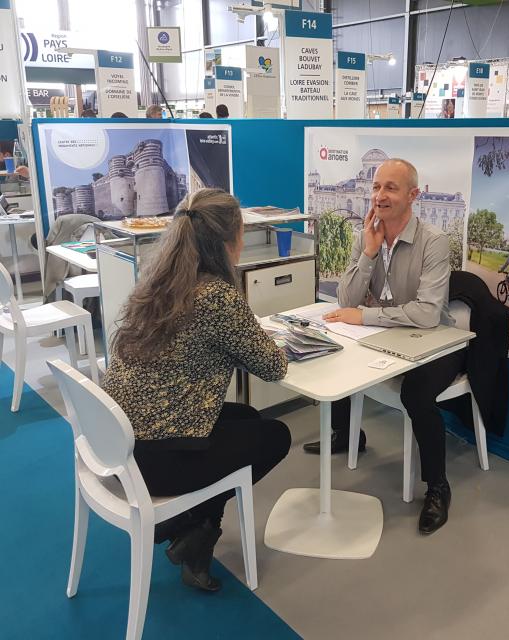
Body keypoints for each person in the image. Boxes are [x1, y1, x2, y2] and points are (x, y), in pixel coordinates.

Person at [102, 188, 291, 592]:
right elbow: (274, 367)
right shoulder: (217, 296)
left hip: (120, 444)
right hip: (154, 459)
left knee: (247, 418)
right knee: (275, 436)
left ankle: (193, 535)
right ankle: (194, 530)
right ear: (230, 240)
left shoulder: (161, 282)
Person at [303, 158, 462, 536]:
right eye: (376, 187)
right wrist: (369, 253)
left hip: (435, 340)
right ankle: (347, 435)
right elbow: (346, 299)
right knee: (334, 348)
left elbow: (426, 315)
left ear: (413, 195)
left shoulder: (434, 242)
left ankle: (437, 485)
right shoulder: (367, 235)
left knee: (417, 395)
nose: (380, 196)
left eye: (391, 188)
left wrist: (367, 317)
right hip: (387, 334)